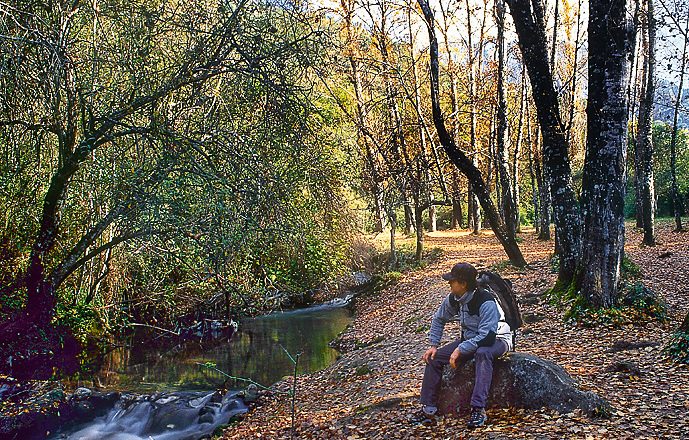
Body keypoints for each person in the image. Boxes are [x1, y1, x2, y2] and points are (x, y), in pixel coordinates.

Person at [413, 262, 512, 428]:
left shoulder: (485, 301)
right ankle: (428, 410)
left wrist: (461, 348)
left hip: (497, 339)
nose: (449, 284)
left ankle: (478, 409)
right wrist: (433, 345)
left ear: (463, 284)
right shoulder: (454, 298)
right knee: (434, 359)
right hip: (471, 339)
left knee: (482, 354)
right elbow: (439, 319)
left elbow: (487, 337)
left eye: (452, 281)